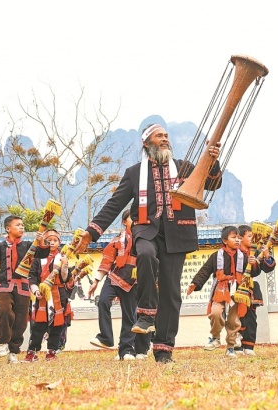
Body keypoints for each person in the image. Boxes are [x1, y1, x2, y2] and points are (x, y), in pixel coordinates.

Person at [74, 123, 222, 363]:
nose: (164, 139)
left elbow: (212, 184)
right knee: (144, 254)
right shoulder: (134, 173)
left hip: (177, 234)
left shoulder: (184, 167)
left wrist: (212, 161)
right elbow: (114, 204)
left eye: (166, 135)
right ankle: (145, 314)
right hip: (145, 230)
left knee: (171, 294)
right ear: (146, 143)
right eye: (158, 136)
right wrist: (92, 232)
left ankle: (163, 351)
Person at [0, 215, 46, 364]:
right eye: (17, 225)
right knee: (4, 310)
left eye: (22, 225)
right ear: (8, 228)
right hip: (5, 287)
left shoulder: (28, 246)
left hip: (23, 287)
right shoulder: (0, 247)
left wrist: (41, 242)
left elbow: (43, 253)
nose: (21, 227)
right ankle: (2, 342)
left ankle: (13, 352)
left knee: (21, 321)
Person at [88, 209, 150, 361]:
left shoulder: (145, 241)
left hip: (132, 282)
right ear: (124, 222)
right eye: (131, 218)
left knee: (129, 316)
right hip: (114, 278)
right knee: (103, 301)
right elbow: (107, 260)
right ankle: (105, 337)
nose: (135, 222)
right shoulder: (117, 240)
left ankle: (126, 350)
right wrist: (96, 281)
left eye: (137, 219)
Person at [188, 226, 249, 358]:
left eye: (239, 238)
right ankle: (215, 337)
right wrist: (195, 283)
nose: (237, 240)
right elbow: (205, 271)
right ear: (225, 240)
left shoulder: (243, 257)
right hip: (220, 291)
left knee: (233, 321)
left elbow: (251, 273)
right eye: (233, 237)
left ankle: (231, 347)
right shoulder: (216, 256)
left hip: (237, 292)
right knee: (215, 313)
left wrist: (254, 265)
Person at [25, 230, 70, 362]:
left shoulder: (62, 257)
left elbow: (65, 279)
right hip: (42, 295)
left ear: (59, 243)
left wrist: (65, 265)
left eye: (55, 240)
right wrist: (35, 290)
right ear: (44, 242)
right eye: (49, 240)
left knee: (57, 325)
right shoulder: (37, 258)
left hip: (58, 294)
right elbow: (32, 276)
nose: (52, 243)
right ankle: (32, 352)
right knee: (38, 325)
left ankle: (52, 351)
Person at [234, 224, 274, 356]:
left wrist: (266, 255)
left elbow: (266, 268)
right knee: (238, 315)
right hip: (237, 286)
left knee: (251, 317)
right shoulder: (234, 252)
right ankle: (237, 345)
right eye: (249, 236)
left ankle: (248, 346)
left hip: (251, 288)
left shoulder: (256, 252)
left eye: (252, 236)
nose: (252, 239)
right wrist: (248, 262)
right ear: (240, 238)